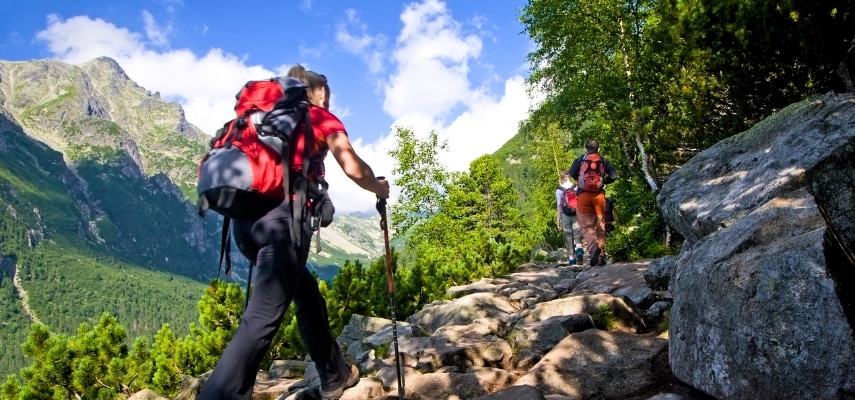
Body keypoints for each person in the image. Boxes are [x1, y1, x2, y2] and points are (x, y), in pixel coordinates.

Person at [197, 65, 389, 400]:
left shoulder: (260, 119)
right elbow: (352, 166)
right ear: (320, 91)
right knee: (261, 318)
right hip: (283, 225)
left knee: (305, 292)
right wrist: (378, 188)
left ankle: (335, 375)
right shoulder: (318, 117)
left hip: (244, 225)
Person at [568, 139, 618, 267]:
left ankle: (593, 247)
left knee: (585, 226)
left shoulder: (580, 160)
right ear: (598, 149)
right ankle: (601, 256)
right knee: (600, 226)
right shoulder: (603, 160)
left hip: (583, 196)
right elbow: (613, 175)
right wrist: (603, 182)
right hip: (599, 196)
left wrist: (581, 181)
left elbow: (572, 173)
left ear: (585, 149)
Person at [556, 171, 584, 264]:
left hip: (565, 214)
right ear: (569, 177)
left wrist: (558, 219)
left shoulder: (559, 190)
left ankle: (571, 258)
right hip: (576, 213)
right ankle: (579, 252)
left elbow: (559, 205)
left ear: (561, 178)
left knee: (568, 235)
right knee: (577, 234)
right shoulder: (575, 187)